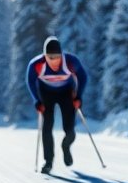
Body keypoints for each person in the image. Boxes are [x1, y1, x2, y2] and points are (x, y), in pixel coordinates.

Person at [26, 36, 89, 175]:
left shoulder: (71, 61)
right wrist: (37, 100)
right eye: (50, 57)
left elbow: (83, 77)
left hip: (66, 93)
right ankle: (48, 162)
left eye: (57, 56)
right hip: (46, 93)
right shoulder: (36, 64)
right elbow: (30, 82)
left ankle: (65, 147)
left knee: (70, 130)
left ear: (62, 54)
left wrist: (78, 96)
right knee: (47, 126)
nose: (54, 60)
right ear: (45, 56)